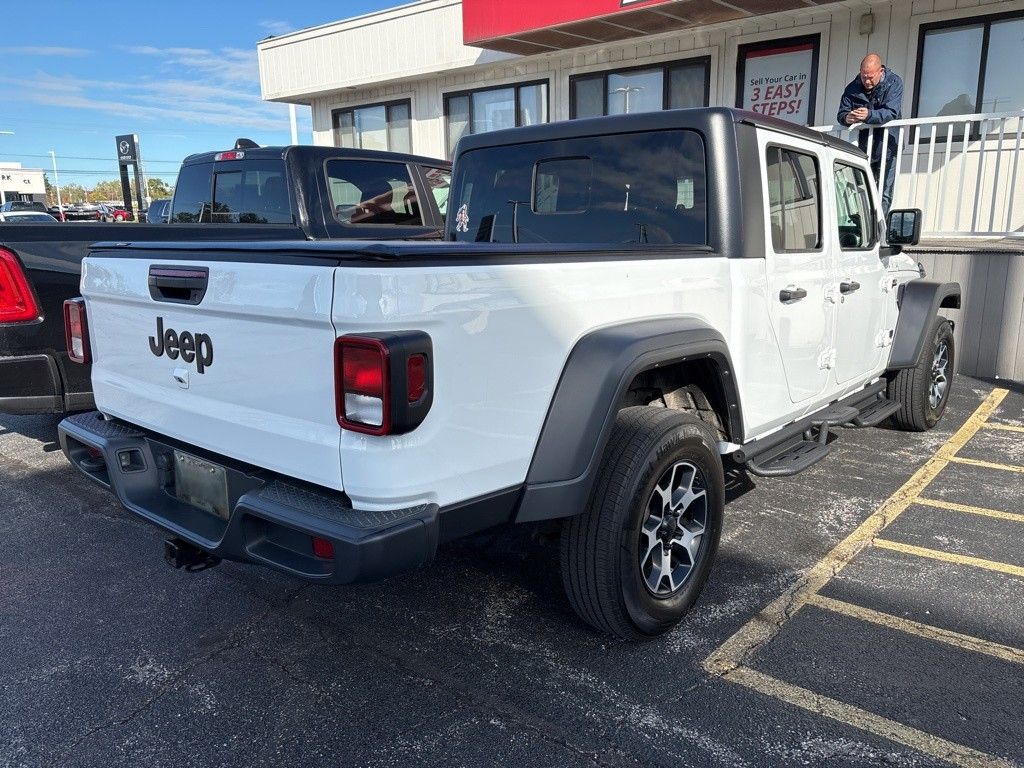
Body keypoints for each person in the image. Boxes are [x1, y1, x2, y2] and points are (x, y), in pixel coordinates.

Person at [837, 54, 904, 215]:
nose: (866, 81)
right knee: (862, 188)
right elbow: (841, 113)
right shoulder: (852, 87)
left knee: (885, 191)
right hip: (864, 147)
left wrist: (868, 115)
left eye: (871, 77)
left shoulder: (894, 83)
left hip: (888, 146)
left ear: (881, 71)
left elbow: (891, 112)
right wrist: (847, 118)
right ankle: (866, 225)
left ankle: (880, 228)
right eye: (863, 76)